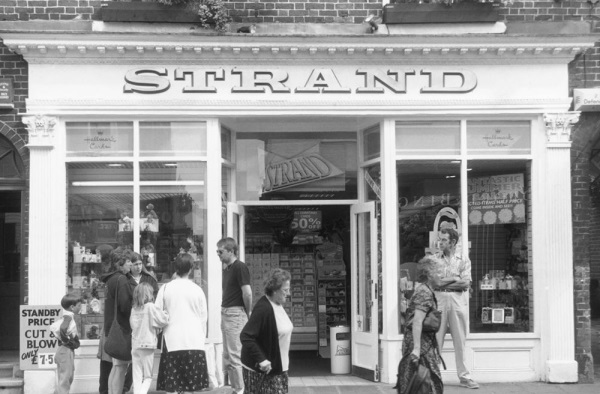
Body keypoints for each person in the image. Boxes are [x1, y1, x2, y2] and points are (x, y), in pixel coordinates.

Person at [155, 253, 209, 393]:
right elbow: (204, 317)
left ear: (175, 267)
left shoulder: (166, 288)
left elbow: (156, 314)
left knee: (172, 388)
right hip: (195, 342)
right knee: (192, 388)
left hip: (172, 341)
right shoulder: (197, 290)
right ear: (191, 269)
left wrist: (165, 320)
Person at [434, 227, 479, 389]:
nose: (440, 242)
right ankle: (434, 375)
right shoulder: (434, 260)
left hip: (457, 302)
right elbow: (435, 283)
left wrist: (446, 281)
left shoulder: (463, 260)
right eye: (440, 239)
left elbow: (466, 283)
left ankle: (464, 376)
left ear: (453, 242)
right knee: (436, 340)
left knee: (460, 340)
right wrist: (455, 279)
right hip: (439, 301)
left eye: (444, 240)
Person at [241, 269, 293, 394]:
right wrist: (262, 359)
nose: (289, 293)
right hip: (263, 370)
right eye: (285, 290)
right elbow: (246, 336)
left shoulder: (277, 304)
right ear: (274, 290)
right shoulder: (264, 308)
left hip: (278, 367)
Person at [398, 256, 443, 394]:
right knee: (424, 383)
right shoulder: (424, 292)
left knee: (420, 383)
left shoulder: (426, 290)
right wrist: (417, 349)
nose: (442, 275)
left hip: (423, 344)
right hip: (420, 346)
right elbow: (417, 321)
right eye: (439, 271)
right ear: (430, 274)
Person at [218, 237, 252, 394]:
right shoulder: (227, 268)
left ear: (231, 251)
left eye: (221, 251)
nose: (218, 254)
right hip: (227, 312)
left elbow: (247, 293)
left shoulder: (239, 267)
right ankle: (236, 387)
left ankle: (239, 389)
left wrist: (248, 311)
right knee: (228, 355)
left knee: (234, 354)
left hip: (235, 313)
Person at [101, 255, 136, 394]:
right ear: (120, 264)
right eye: (128, 262)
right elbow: (125, 306)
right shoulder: (122, 280)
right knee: (121, 367)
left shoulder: (110, 279)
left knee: (116, 366)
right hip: (121, 328)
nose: (131, 265)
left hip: (111, 327)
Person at [130, 282, 169, 394]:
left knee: (137, 375)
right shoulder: (151, 307)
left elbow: (132, 325)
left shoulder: (134, 309)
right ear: (148, 295)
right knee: (148, 376)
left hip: (135, 344)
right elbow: (163, 320)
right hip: (147, 344)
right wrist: (166, 313)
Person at [50, 293, 82, 394]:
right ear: (72, 307)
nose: (80, 308)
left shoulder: (68, 316)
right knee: (66, 377)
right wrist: (67, 341)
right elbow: (63, 328)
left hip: (65, 350)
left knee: (66, 376)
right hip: (65, 350)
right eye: (79, 306)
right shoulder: (68, 318)